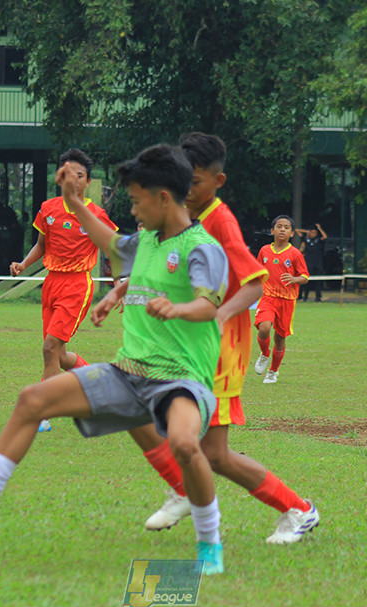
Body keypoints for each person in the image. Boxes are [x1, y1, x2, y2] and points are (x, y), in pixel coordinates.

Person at [0, 144, 230, 575]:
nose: (133, 210)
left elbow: (208, 305)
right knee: (33, 400)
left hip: (180, 379)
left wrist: (177, 309)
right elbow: (105, 239)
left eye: (138, 200)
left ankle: (209, 542)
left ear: (164, 198)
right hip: (128, 373)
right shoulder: (144, 242)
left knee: (183, 443)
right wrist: (72, 204)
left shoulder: (202, 248)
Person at [99, 133, 319, 545]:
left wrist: (218, 317)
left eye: (196, 183)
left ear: (217, 182)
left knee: (175, 429)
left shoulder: (220, 221)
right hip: (188, 343)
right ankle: (289, 507)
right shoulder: (182, 217)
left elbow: (253, 283)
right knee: (198, 444)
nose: (187, 190)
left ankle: (294, 509)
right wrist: (122, 288)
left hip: (219, 350)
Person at [10, 148, 118, 432]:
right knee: (58, 355)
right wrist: (23, 264)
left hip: (77, 285)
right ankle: (99, 383)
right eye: (69, 174)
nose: (75, 180)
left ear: (87, 180)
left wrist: (118, 282)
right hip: (51, 283)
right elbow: (41, 245)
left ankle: (43, 411)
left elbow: (113, 248)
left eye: (80, 175)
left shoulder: (95, 214)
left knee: (49, 348)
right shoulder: (48, 209)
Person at [254, 215, 309, 385]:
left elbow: (305, 276)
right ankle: (264, 354)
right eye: (279, 226)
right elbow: (258, 272)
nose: (282, 229)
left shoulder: (295, 253)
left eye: (286, 227)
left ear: (292, 233)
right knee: (263, 328)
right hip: (268, 296)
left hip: (287, 300)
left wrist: (294, 279)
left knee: (280, 337)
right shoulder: (264, 251)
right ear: (272, 231)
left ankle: (273, 371)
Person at [296, 223, 327, 302]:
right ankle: (304, 297)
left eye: (315, 233)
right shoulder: (306, 239)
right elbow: (297, 230)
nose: (313, 234)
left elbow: (325, 237)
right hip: (308, 263)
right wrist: (307, 231)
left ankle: (318, 297)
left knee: (318, 281)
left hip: (318, 263)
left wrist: (319, 228)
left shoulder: (318, 240)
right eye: (312, 233)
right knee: (306, 281)